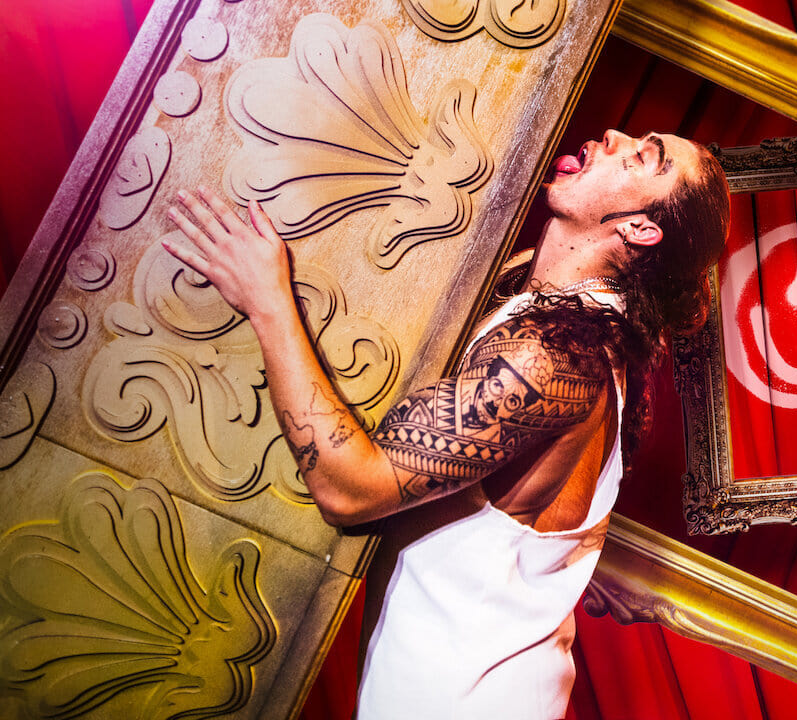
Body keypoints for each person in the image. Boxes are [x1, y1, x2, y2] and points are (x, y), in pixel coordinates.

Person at [164, 129, 731, 719]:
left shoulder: (553, 357)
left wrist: (267, 299)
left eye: (643, 157)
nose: (614, 137)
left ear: (639, 229)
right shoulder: (561, 313)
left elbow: (350, 489)